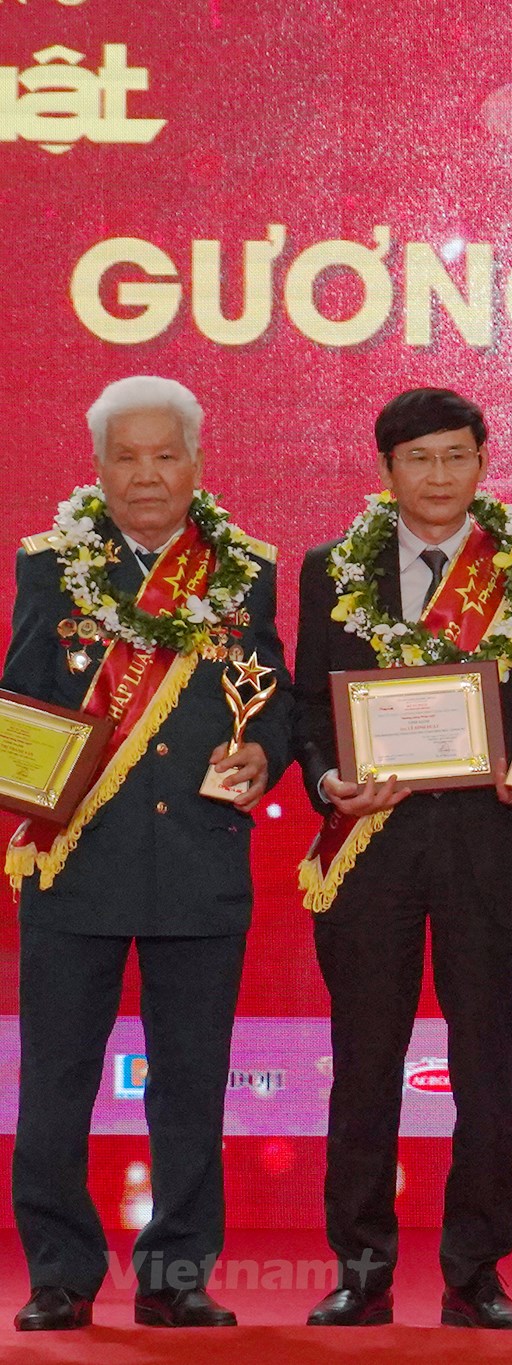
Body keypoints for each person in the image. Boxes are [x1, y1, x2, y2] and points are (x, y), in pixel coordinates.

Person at [5, 377, 291, 1332]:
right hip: (77, 862)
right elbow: (21, 698)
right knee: (57, 1080)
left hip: (200, 859)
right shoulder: (51, 565)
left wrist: (266, 752)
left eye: (165, 455)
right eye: (125, 456)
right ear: (97, 467)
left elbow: (274, 695)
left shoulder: (244, 568)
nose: (146, 475)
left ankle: (176, 1275)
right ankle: (59, 1273)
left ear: (196, 463)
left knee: (191, 1084)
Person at [291, 388, 512, 1329]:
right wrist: (327, 779)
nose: (439, 475)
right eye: (418, 458)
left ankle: (476, 1272)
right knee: (365, 1068)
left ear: (483, 460)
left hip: (488, 852)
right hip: (372, 850)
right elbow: (307, 707)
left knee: (488, 1075)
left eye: (455, 455)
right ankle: (361, 1270)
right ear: (387, 470)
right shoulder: (333, 568)